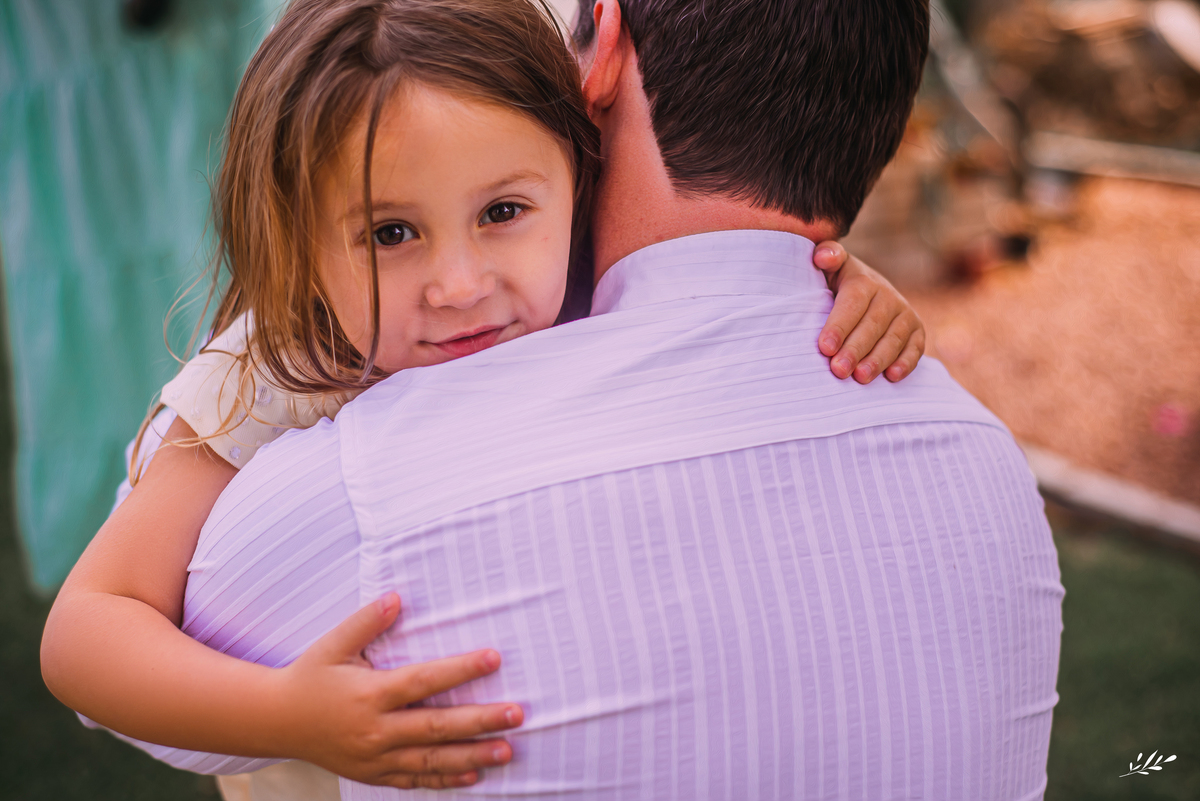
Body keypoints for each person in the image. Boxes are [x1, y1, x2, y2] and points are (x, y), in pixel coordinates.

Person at [62, 0, 1066, 796]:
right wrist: (287, 719)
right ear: (293, 240)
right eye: (388, 234)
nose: (460, 284)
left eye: (503, 212)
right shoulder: (278, 364)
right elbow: (88, 631)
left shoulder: (568, 278)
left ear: (579, 162)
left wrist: (839, 277)